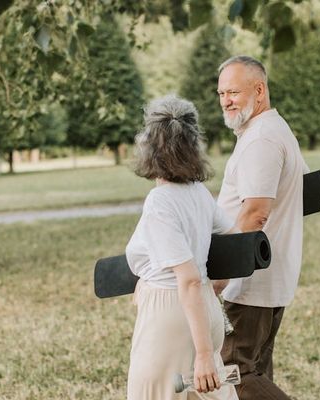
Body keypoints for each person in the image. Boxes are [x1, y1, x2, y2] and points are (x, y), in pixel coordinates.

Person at [126, 94, 239, 400]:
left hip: (171, 319)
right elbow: (233, 235)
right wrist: (217, 283)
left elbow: (186, 277)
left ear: (148, 144)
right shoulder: (198, 192)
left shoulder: (160, 202)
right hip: (205, 310)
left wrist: (203, 354)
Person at [214, 55, 309, 400]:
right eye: (221, 93)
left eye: (234, 92)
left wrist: (221, 276)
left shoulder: (261, 140)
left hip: (251, 279)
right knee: (255, 369)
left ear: (259, 89)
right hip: (266, 275)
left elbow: (255, 213)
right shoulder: (270, 130)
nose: (226, 101)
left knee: (233, 371)